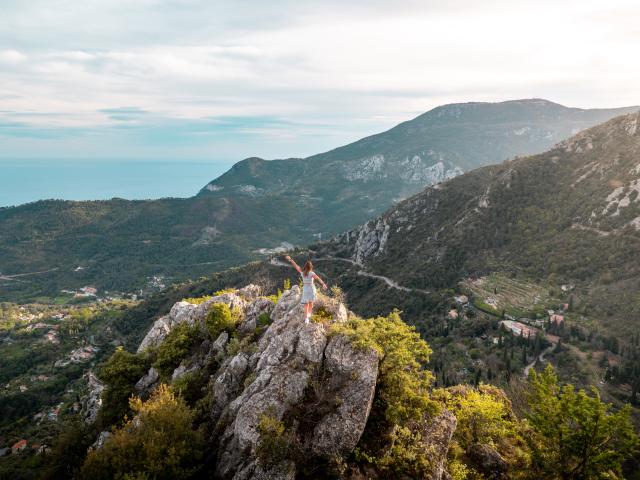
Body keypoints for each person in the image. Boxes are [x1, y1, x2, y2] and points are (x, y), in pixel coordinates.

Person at [284, 255, 327, 323]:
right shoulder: (312, 273)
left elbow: (296, 266)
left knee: (306, 304)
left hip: (305, 289)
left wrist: (290, 260)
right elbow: (318, 278)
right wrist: (323, 284)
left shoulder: (302, 272)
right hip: (311, 288)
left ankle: (306, 318)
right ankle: (309, 315)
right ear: (311, 267)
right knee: (311, 303)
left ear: (305, 266)